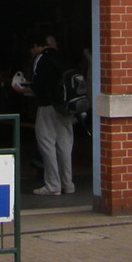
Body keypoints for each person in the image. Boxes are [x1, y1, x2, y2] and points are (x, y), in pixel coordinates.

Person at [26, 29, 75, 195]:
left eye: (32, 49)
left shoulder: (41, 58)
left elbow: (38, 85)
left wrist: (25, 89)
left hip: (47, 106)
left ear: (38, 46)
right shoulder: (64, 57)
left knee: (47, 143)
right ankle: (67, 183)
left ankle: (52, 185)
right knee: (65, 145)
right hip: (66, 107)